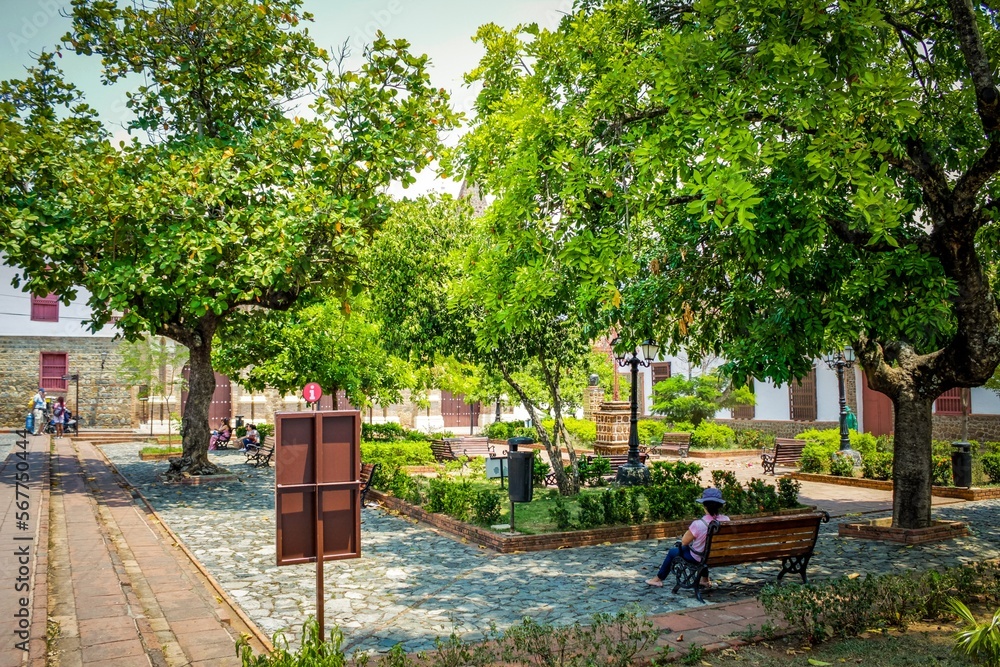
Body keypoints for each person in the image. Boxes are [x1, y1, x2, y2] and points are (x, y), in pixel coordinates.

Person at [646, 487, 730, 589]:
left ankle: (658, 579)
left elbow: (684, 542)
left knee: (673, 551)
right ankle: (704, 580)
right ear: (720, 505)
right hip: (718, 556)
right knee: (705, 550)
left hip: (700, 558)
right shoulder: (726, 520)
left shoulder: (698, 524)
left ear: (704, 505)